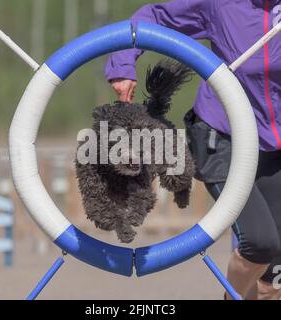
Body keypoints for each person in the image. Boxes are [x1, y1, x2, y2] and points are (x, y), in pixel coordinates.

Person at [104, 0, 281, 300]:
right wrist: (123, 65)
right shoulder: (220, 5)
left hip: (272, 145)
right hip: (220, 138)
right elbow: (152, 17)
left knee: (274, 270)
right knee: (260, 242)